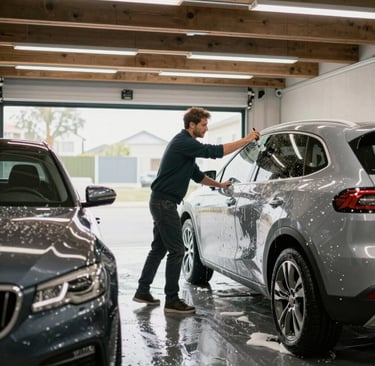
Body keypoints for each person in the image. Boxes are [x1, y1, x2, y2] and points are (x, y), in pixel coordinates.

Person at [133, 107, 260, 314]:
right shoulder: (183, 142)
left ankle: (142, 290)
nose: (206, 128)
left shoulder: (185, 147)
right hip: (164, 204)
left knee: (159, 249)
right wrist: (246, 140)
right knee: (177, 251)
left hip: (161, 202)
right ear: (191, 125)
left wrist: (220, 185)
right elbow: (215, 152)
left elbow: (197, 175)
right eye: (203, 124)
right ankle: (172, 300)